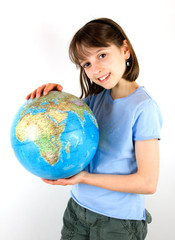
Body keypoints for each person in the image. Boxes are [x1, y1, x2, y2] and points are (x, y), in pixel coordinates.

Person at [27, 18, 162, 239]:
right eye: (86, 64)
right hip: (78, 211)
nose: (95, 69)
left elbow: (147, 183)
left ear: (125, 50)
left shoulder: (144, 108)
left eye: (101, 55)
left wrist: (83, 178)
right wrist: (53, 97)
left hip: (117, 222)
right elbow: (71, 126)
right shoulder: (94, 100)